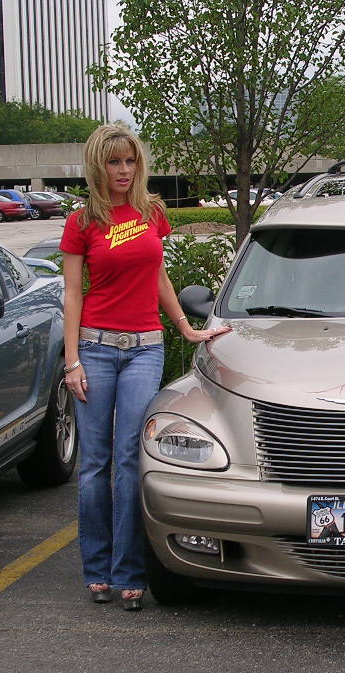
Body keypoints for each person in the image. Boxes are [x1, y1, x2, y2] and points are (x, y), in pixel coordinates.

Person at [60, 124, 230, 610]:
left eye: (130, 161)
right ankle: (97, 569)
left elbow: (157, 274)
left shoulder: (151, 212)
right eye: (114, 162)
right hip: (93, 347)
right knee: (95, 463)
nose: (123, 170)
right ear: (98, 165)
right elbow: (73, 292)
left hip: (144, 348)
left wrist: (185, 328)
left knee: (131, 459)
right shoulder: (83, 221)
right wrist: (71, 360)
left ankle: (129, 570)